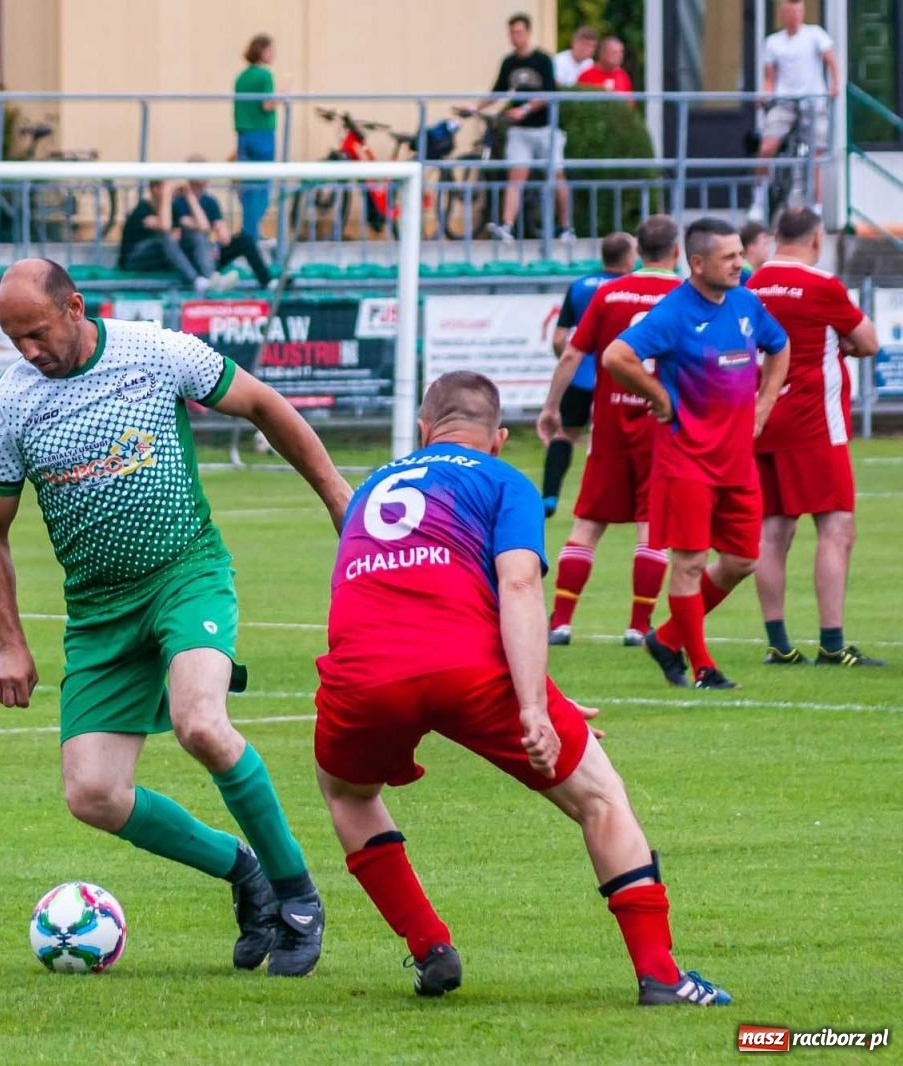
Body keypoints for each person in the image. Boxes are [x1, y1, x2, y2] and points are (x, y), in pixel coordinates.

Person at [0, 259, 351, 977]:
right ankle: (246, 874)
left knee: (200, 722)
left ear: (75, 306)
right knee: (93, 794)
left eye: (37, 332)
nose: (28, 351)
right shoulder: (13, 404)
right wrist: (9, 642)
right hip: (98, 614)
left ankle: (298, 893)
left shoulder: (155, 352)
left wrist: (336, 495)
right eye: (13, 339)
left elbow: (265, 405)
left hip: (186, 577)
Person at [313, 370, 732, 1007]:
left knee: (346, 793)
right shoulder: (503, 479)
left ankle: (430, 949)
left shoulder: (371, 486)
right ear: (499, 439)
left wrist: (544, 691)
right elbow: (517, 587)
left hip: (363, 670)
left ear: (424, 430)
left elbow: (373, 593)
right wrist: (534, 706)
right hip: (469, 668)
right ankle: (662, 977)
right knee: (600, 798)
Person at [602, 218, 791, 690]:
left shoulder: (746, 302)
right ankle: (703, 666)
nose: (740, 264)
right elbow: (615, 357)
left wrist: (764, 403)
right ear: (698, 263)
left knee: (742, 560)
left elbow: (781, 345)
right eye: (729, 258)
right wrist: (660, 398)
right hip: (684, 459)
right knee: (687, 562)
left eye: (740, 254)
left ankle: (666, 638)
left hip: (736, 461)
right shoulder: (673, 312)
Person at [745, 207, 886, 667]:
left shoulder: (752, 284)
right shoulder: (821, 284)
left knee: (773, 530)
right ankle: (832, 641)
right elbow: (867, 342)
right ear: (816, 239)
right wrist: (841, 344)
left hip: (761, 417)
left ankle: (778, 643)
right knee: (836, 526)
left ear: (775, 237)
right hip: (814, 421)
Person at [538, 216, 684, 647]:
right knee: (652, 526)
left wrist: (552, 407)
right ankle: (638, 626)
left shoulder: (608, 292)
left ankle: (561, 622)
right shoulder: (684, 296)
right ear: (676, 252)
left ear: (639, 250)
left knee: (588, 521)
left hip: (609, 426)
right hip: (660, 426)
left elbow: (570, 355)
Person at [540, 232, 637, 516]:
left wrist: (570, 361)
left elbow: (559, 339)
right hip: (621, 374)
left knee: (565, 433)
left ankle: (549, 496)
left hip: (580, 372)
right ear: (628, 257)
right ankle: (622, 499)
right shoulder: (631, 287)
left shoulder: (580, 285)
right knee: (620, 436)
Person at [475, 13, 573, 242]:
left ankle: (567, 227)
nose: (514, 37)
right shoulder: (509, 63)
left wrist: (525, 109)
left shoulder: (543, 60)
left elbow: (549, 93)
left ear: (528, 33)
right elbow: (498, 91)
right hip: (520, 130)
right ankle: (507, 226)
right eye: (511, 32)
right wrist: (475, 107)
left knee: (557, 174)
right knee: (515, 176)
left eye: (519, 32)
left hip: (544, 128)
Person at [752, 0, 838, 220]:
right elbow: (770, 78)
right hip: (785, 102)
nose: (795, 14)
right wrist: (764, 94)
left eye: (798, 9)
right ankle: (758, 199)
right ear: (783, 13)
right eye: (790, 10)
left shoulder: (815, 35)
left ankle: (815, 208)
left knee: (816, 154)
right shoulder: (773, 42)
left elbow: (830, 61)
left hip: (813, 103)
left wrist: (834, 86)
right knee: (766, 148)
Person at [175, 158, 273, 288]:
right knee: (197, 235)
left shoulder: (210, 202)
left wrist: (217, 244)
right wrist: (190, 198)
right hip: (191, 256)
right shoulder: (178, 203)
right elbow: (201, 227)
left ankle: (267, 281)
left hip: (210, 254)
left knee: (245, 240)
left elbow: (224, 235)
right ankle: (210, 280)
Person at [118, 180, 224, 292]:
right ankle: (195, 281)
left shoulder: (172, 210)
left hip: (158, 259)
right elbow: (165, 227)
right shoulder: (142, 209)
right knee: (165, 237)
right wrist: (166, 194)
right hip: (134, 260)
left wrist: (189, 195)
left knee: (196, 234)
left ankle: (210, 277)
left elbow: (203, 227)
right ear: (155, 189)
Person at [233, 34, 279, 237]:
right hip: (262, 134)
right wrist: (281, 97)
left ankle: (249, 229)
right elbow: (267, 105)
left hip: (244, 134)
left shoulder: (242, 77)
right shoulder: (264, 75)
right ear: (263, 51)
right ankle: (251, 231)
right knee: (261, 185)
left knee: (248, 184)